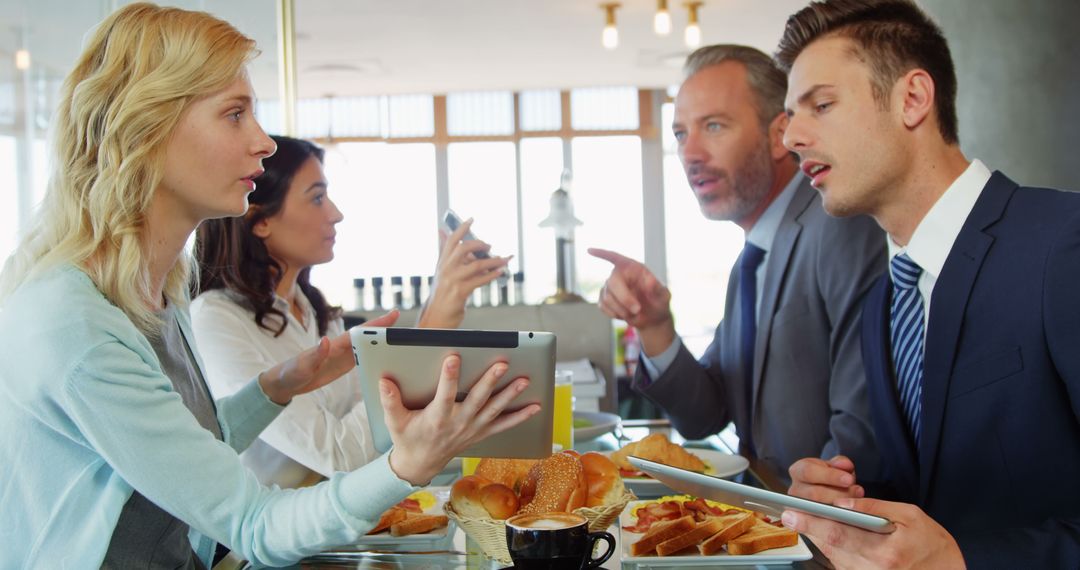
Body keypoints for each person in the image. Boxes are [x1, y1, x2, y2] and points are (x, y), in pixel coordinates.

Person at [0, 4, 537, 567]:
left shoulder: (155, 292)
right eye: (235, 114)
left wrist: (276, 388)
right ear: (147, 129)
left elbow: (183, 457)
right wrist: (411, 463)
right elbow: (254, 524)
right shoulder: (79, 328)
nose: (264, 142)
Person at [775, 1, 1080, 567]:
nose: (791, 136)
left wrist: (966, 560)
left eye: (821, 104)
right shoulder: (882, 303)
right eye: (790, 115)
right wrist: (845, 506)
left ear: (912, 98)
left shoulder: (1064, 243)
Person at [589, 44, 885, 482]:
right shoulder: (750, 262)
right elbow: (704, 415)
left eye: (713, 126)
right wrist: (655, 326)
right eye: (680, 134)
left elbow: (865, 424)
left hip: (823, 529)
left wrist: (804, 521)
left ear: (779, 135)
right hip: (771, 522)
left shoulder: (839, 223)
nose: (690, 154)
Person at [191, 135, 509, 488]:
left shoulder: (313, 312)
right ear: (260, 221)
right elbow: (340, 456)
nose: (336, 214)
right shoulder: (215, 321)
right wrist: (431, 327)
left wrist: (434, 317)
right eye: (316, 198)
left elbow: (377, 415)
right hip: (275, 534)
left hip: (345, 521)